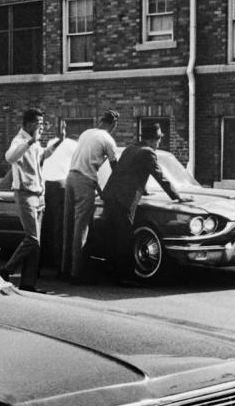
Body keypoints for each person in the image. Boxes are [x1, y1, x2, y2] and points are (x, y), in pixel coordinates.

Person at [101, 122, 189, 282]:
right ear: (151, 140)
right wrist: (177, 197)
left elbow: (129, 173)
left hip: (110, 196)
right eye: (158, 140)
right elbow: (160, 176)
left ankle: (111, 273)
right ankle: (126, 277)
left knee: (111, 235)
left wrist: (145, 191)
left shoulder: (130, 149)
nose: (158, 143)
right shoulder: (147, 153)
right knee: (125, 237)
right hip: (123, 200)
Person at [0, 108, 66, 292]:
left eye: (43, 123)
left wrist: (59, 141)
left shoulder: (34, 143)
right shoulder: (20, 141)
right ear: (28, 124)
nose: (42, 127)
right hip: (25, 194)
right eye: (39, 123)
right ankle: (6, 270)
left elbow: (43, 155)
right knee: (32, 239)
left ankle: (28, 283)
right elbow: (10, 157)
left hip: (38, 195)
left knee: (36, 244)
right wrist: (29, 142)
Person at [62, 110, 119, 284]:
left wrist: (100, 189)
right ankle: (76, 273)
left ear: (100, 121)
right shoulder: (108, 140)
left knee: (68, 225)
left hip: (70, 178)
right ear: (113, 124)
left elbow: (86, 159)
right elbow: (115, 167)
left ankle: (64, 269)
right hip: (85, 182)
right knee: (81, 227)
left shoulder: (86, 133)